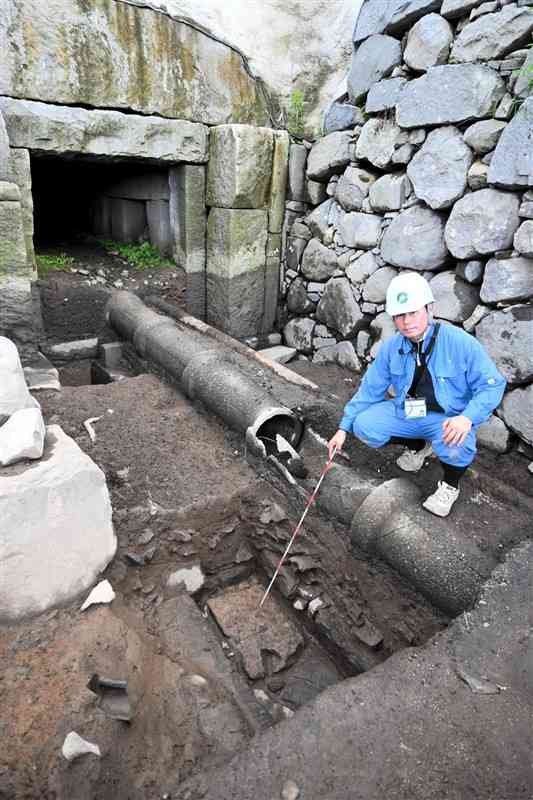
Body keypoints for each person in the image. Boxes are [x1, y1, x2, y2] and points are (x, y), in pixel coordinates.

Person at [327, 272, 506, 517]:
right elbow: (369, 390)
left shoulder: (460, 343)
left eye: (413, 312)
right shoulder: (392, 348)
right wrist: (343, 428)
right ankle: (419, 446)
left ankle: (450, 485)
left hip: (448, 419)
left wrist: (467, 418)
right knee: (364, 425)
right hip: (409, 412)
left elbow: (492, 384)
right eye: (400, 315)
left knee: (457, 443)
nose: (407, 321)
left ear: (429, 309)